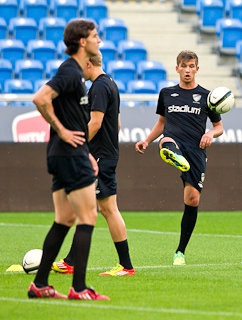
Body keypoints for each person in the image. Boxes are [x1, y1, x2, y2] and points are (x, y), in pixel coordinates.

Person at [28, 19, 109, 300]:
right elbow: (40, 98)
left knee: (64, 218)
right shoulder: (71, 73)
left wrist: (86, 151)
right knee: (89, 215)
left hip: (67, 154)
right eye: (96, 36)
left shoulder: (74, 73)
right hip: (67, 154)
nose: (100, 41)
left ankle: (40, 285)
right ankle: (79, 288)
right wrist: (62, 132)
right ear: (83, 41)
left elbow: (70, 116)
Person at [135, 50, 224, 265]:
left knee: (192, 199)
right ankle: (172, 154)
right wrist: (146, 140)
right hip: (173, 139)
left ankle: (180, 252)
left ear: (197, 69)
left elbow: (219, 127)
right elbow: (161, 123)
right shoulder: (167, 93)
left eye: (191, 66)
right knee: (166, 142)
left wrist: (210, 134)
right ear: (177, 69)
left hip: (196, 150)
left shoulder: (207, 96)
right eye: (183, 66)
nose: (187, 70)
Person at [51, 53, 135, 276]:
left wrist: (77, 146)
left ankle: (126, 266)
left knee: (107, 208)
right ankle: (71, 261)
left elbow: (96, 123)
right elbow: (116, 124)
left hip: (99, 156)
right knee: (90, 207)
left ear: (89, 63)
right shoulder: (110, 84)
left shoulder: (98, 87)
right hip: (104, 154)